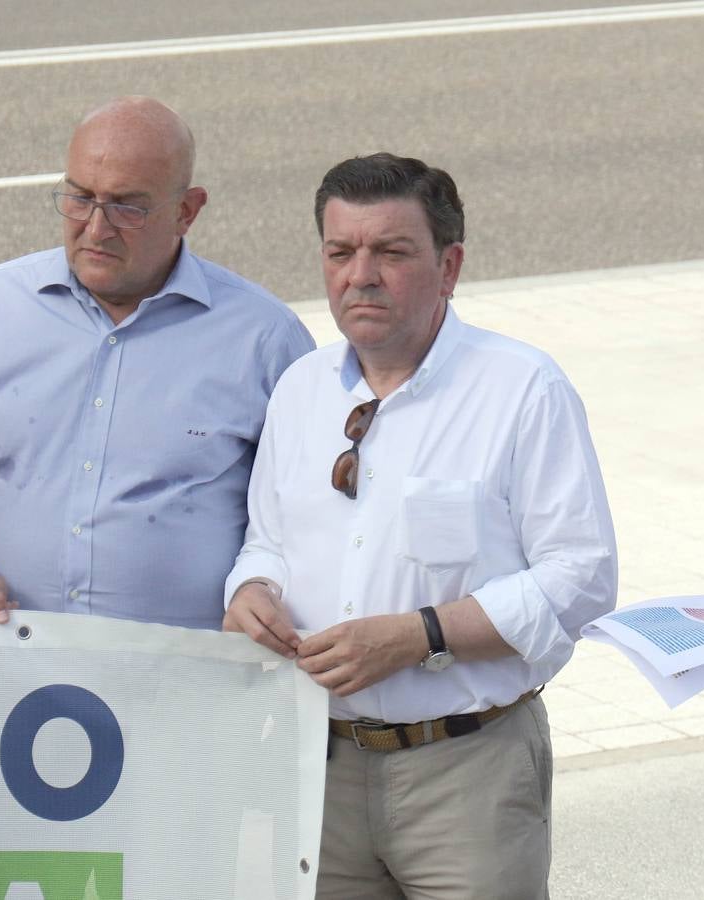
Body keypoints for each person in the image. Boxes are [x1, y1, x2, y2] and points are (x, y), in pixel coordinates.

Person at [222, 152, 617, 898]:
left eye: (391, 252)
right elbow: (267, 540)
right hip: (319, 767)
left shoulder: (522, 389)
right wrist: (252, 592)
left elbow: (581, 579)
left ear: (450, 265)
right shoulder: (301, 390)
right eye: (340, 252)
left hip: (465, 772)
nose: (359, 274)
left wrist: (418, 636)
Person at [0, 95, 314, 630]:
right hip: (5, 675)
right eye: (79, 198)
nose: (96, 228)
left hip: (187, 689)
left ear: (187, 211)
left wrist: (261, 588)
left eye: (128, 207)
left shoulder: (264, 340)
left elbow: (305, 520)